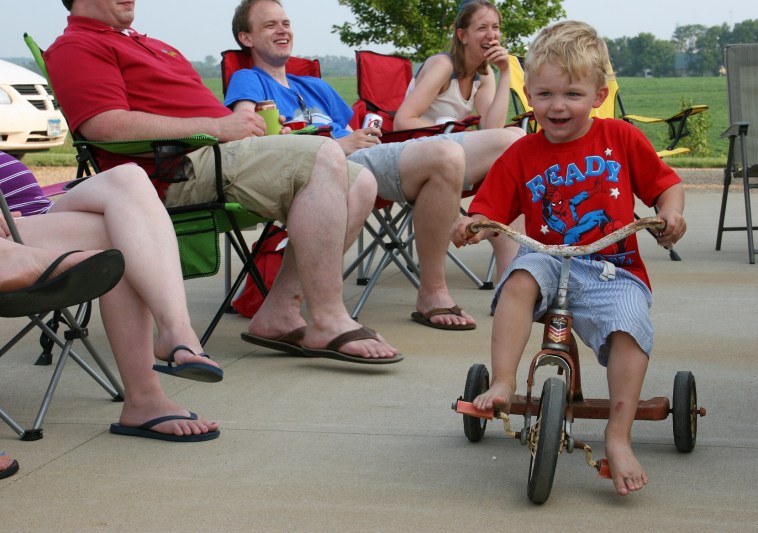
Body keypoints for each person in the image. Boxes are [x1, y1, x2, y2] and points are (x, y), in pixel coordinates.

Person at [47, 0, 400, 363]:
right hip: (174, 171)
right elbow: (104, 125)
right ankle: (328, 319)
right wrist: (217, 128)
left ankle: (279, 312)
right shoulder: (77, 46)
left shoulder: (152, 44)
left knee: (361, 182)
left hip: (223, 156)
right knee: (324, 153)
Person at [450, 21, 687, 496]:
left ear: (599, 95)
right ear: (529, 96)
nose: (557, 106)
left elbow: (666, 185)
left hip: (612, 266)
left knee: (629, 326)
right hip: (548, 258)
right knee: (517, 277)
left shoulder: (620, 139)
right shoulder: (521, 153)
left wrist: (670, 214)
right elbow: (490, 206)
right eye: (545, 94)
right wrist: (474, 222)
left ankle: (618, 438)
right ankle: (502, 382)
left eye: (573, 94)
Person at [226, 0, 524, 330]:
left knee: (506, 143)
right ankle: (436, 291)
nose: (283, 29)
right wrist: (337, 146)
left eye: (285, 22)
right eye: (270, 25)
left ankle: (489, 269)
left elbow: (355, 131)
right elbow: (248, 136)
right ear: (246, 38)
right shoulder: (248, 79)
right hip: (324, 164)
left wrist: (359, 137)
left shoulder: (316, 87)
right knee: (450, 154)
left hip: (363, 159)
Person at [2, 156, 222, 441]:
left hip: (40, 212)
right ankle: (145, 397)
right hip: (12, 239)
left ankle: (176, 328)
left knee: (130, 177)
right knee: (124, 233)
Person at [395, 0, 523, 279]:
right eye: (482, 28)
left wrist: (504, 74)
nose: (492, 35)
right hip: (419, 158)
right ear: (462, 35)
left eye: (496, 27)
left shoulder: (483, 74)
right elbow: (403, 120)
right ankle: (509, 269)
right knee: (515, 143)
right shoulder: (443, 65)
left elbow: (492, 127)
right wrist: (449, 131)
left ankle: (510, 268)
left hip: (454, 154)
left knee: (517, 140)